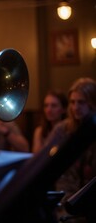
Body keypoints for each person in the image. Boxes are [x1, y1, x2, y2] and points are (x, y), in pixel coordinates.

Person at [51, 78, 96, 221]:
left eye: (81, 102)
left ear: (92, 103)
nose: (76, 107)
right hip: (65, 196)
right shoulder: (62, 129)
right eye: (72, 102)